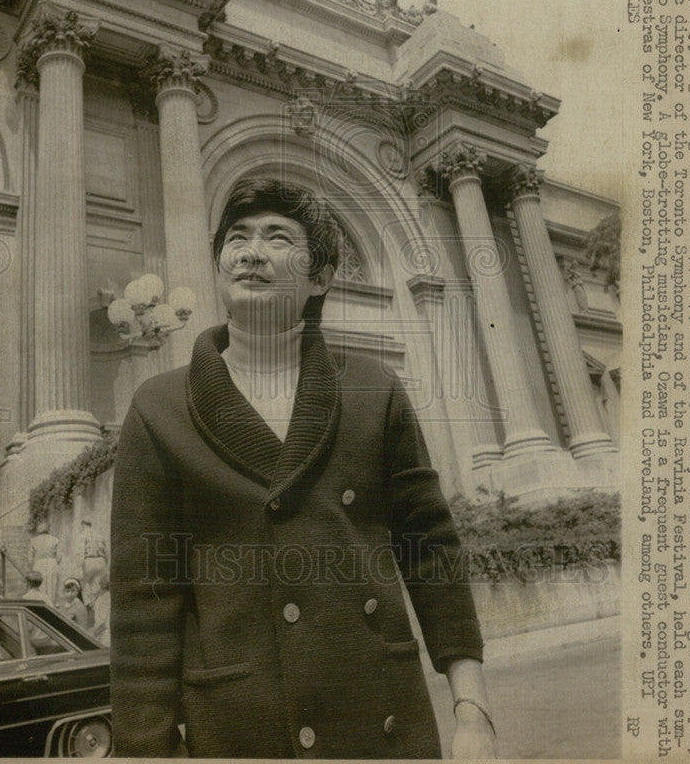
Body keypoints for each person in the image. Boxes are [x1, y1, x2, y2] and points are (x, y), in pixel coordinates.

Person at [111, 179, 498, 759]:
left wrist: (473, 713)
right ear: (219, 265)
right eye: (237, 237)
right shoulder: (159, 408)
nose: (250, 251)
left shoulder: (374, 389)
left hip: (381, 718)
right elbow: (145, 603)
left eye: (277, 237)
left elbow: (430, 551)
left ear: (319, 277)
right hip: (241, 731)